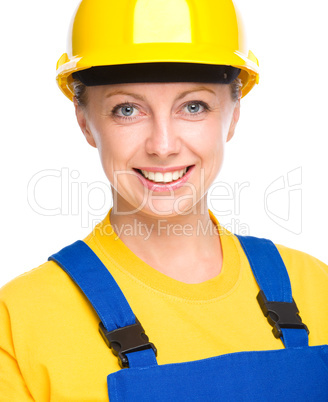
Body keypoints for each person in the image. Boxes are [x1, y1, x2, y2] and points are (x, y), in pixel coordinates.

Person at [1, 0, 327, 400]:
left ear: (234, 114)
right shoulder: (21, 320)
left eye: (193, 106)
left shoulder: (316, 288)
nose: (163, 145)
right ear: (85, 121)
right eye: (127, 109)